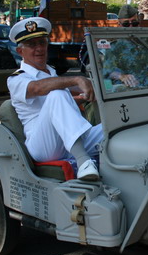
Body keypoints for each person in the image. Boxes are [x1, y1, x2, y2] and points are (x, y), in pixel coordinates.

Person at [7, 17, 103, 180]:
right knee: (57, 93)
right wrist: (77, 80)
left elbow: (63, 107)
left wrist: (91, 92)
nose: (39, 48)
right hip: (44, 146)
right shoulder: (16, 79)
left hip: (69, 139)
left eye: (42, 43)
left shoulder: (51, 72)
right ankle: (83, 162)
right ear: (20, 51)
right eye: (32, 45)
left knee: (112, 130)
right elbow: (38, 88)